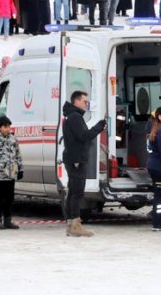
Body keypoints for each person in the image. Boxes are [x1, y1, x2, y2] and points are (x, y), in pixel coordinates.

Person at [62, 91, 107, 237]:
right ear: (76, 101)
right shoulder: (75, 117)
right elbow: (83, 136)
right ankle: (75, 225)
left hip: (74, 157)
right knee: (77, 192)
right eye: (84, 101)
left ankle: (71, 224)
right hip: (76, 159)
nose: (86, 104)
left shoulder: (73, 116)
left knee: (73, 191)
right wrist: (99, 127)